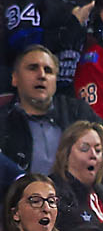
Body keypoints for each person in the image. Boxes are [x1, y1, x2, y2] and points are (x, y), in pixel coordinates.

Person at [1, 44, 96, 176]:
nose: (42, 75)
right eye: (33, 68)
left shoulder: (78, 112)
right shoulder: (3, 122)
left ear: (56, 81)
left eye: (48, 70)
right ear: (15, 78)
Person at [49, 119, 103, 231]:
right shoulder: (55, 191)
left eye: (98, 150)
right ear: (66, 154)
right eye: (84, 148)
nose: (93, 155)